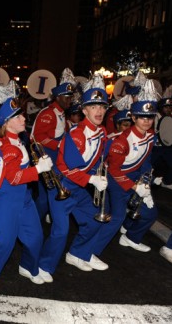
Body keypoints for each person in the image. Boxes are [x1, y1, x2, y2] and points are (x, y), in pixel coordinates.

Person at [0, 87, 53, 294]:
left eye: (22, 115)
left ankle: (28, 267)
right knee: (4, 242)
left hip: (23, 197)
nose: (23, 119)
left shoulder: (17, 140)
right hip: (5, 200)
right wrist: (38, 169)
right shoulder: (7, 146)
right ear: (7, 123)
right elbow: (14, 178)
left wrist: (35, 165)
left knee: (35, 237)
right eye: (18, 117)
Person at [40, 79, 110, 276]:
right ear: (84, 111)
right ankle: (44, 266)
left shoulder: (102, 131)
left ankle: (78, 253)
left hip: (79, 188)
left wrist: (101, 171)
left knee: (95, 220)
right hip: (62, 186)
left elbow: (97, 158)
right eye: (93, 106)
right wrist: (91, 180)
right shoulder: (76, 134)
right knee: (60, 231)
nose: (98, 111)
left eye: (102, 107)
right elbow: (65, 168)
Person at [97, 86, 159, 255]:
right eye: (141, 117)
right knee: (116, 218)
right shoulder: (122, 140)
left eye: (150, 117)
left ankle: (131, 238)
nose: (146, 121)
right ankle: (89, 252)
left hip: (135, 177)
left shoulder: (150, 135)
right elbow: (115, 170)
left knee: (151, 213)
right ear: (133, 117)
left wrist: (146, 182)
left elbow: (145, 160)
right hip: (117, 180)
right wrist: (134, 187)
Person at [30, 74, 74, 220]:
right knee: (45, 196)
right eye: (66, 97)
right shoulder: (48, 113)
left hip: (55, 157)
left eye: (71, 97)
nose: (70, 100)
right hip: (46, 157)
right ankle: (31, 222)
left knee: (51, 193)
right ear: (58, 98)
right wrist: (59, 144)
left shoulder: (61, 113)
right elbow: (37, 138)